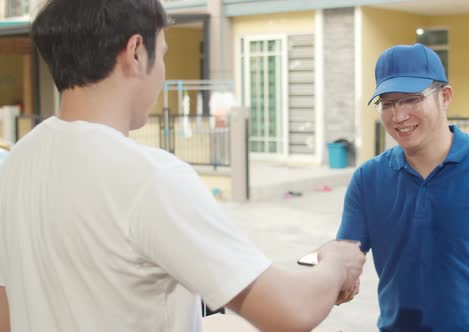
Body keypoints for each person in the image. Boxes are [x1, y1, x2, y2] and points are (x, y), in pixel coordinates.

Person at [0, 1, 365, 331]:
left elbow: (7, 306)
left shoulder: (17, 161)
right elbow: (290, 310)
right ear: (135, 52)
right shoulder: (149, 178)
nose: (162, 72)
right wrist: (334, 263)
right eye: (162, 55)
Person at [336, 43, 469, 332]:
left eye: (411, 99)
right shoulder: (367, 179)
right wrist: (334, 276)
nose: (398, 116)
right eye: (387, 104)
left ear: (445, 97)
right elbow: (345, 256)